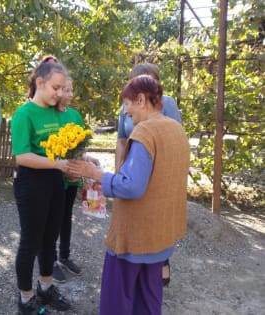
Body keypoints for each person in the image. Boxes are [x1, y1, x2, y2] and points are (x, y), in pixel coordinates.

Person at [68, 75, 190, 315]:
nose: (125, 112)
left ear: (141, 99)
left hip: (134, 236)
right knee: (149, 298)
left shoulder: (145, 132)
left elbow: (132, 187)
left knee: (118, 300)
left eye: (127, 104)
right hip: (160, 234)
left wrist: (97, 174)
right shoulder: (176, 129)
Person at [11, 59, 72, 315]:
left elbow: (64, 146)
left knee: (50, 239)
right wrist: (58, 163)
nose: (59, 93)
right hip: (31, 183)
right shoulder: (23, 114)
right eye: (55, 88)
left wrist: (79, 159)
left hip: (55, 181)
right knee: (31, 241)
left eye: (62, 89)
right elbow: (22, 156)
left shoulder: (56, 112)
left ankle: (46, 288)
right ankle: (26, 300)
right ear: (40, 83)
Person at [115, 62, 182, 286]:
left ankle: (160, 262)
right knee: (136, 214)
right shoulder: (125, 108)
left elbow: (175, 137)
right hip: (133, 164)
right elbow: (121, 140)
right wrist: (117, 173)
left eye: (150, 79)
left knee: (157, 214)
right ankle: (140, 264)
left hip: (157, 169)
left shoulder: (168, 104)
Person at [52, 76, 84, 283]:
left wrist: (80, 164)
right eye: (66, 90)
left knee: (66, 217)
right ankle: (50, 260)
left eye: (72, 90)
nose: (71, 95)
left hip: (72, 177)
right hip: (54, 177)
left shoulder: (75, 116)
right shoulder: (48, 116)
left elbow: (81, 146)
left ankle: (64, 256)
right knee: (52, 220)